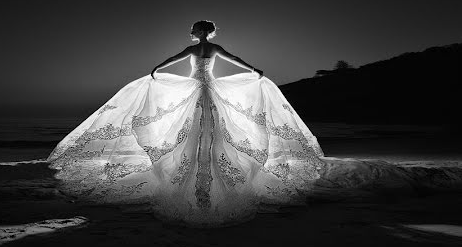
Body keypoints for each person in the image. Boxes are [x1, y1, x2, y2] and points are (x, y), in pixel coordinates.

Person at [46, 20, 325, 226]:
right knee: (210, 130)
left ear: (200, 32)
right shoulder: (213, 48)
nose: (194, 34)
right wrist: (253, 69)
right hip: (209, 89)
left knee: (197, 130)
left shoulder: (197, 50)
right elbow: (235, 59)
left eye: (195, 30)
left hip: (197, 89)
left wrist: (157, 68)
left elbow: (173, 59)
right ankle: (205, 181)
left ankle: (200, 182)